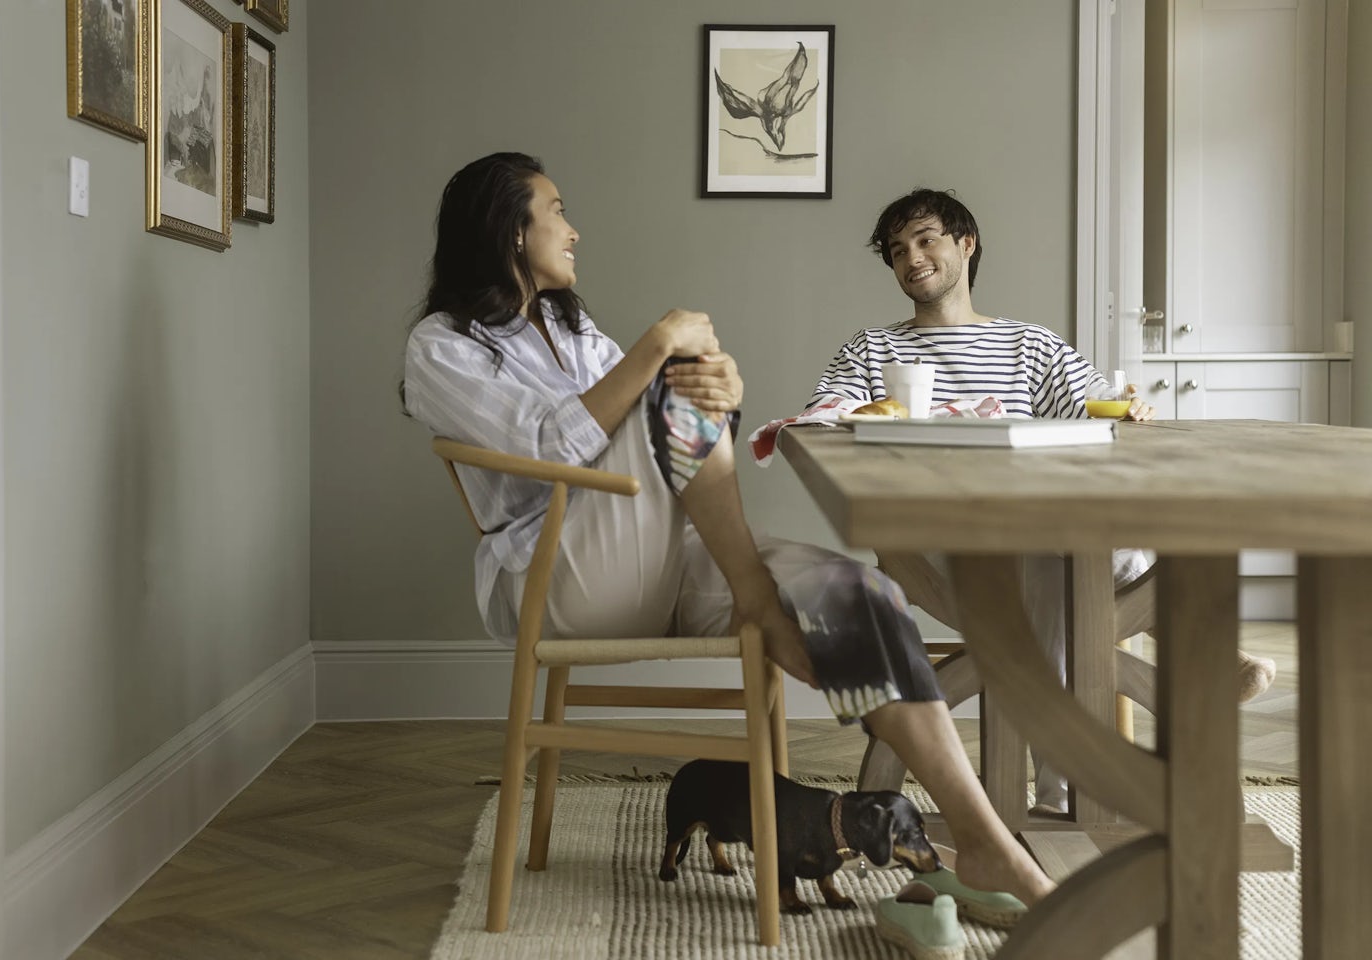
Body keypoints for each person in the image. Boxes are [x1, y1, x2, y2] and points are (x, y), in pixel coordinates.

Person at [401, 152, 1056, 908]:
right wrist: (663, 353)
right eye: (557, 211)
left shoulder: (572, 334)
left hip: (671, 559)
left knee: (855, 589)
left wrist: (720, 388)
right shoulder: (441, 346)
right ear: (510, 230)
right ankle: (756, 595)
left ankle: (983, 842)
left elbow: (677, 435)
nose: (573, 230)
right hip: (565, 580)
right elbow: (553, 448)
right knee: (675, 379)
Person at [809, 187, 1276, 813]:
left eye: (925, 240)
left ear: (965, 245)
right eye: (898, 251)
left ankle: (1060, 802)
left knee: (1049, 560)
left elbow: (1097, 413)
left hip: (1040, 539)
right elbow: (819, 418)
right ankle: (1183, 669)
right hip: (935, 547)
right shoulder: (873, 351)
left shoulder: (1029, 345)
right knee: (1058, 554)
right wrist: (861, 415)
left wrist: (1131, 409)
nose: (911, 258)